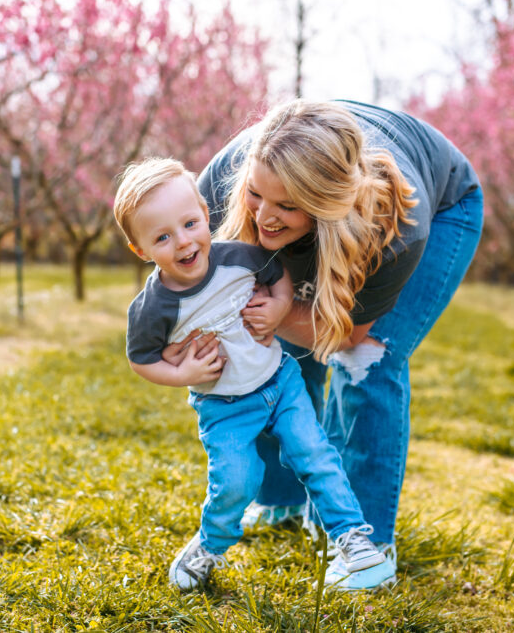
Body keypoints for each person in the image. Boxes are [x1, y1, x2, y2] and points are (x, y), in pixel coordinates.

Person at [187, 99, 484, 590]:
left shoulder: (396, 228)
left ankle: (369, 547)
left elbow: (348, 336)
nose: (264, 216)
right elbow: (185, 280)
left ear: (327, 201)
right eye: (258, 195)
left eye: (287, 205)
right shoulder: (221, 187)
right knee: (270, 344)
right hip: (325, 203)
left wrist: (281, 313)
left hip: (446, 205)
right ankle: (281, 500)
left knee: (368, 359)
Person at [113, 157, 388, 591]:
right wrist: (182, 371)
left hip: (280, 383)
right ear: (141, 250)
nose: (183, 243)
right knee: (236, 481)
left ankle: (351, 538)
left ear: (206, 214)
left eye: (189, 224)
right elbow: (141, 359)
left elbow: (279, 276)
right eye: (162, 237)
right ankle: (209, 545)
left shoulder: (241, 257)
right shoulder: (154, 307)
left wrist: (278, 306)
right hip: (223, 407)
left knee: (314, 454)